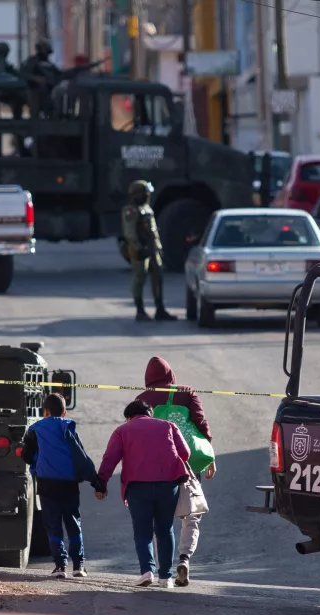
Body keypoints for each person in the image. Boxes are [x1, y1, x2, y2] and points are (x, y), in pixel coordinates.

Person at [133, 356, 214, 587]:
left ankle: (163, 570)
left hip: (157, 467)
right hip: (186, 462)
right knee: (192, 514)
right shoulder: (187, 393)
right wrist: (210, 456)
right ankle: (184, 559)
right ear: (171, 374)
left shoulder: (143, 398)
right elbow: (201, 423)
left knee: (162, 520)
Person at [97, 400, 191, 588]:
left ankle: (147, 571)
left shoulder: (123, 431)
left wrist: (101, 484)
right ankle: (166, 577)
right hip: (167, 485)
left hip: (137, 487)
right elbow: (185, 453)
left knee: (142, 531)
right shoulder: (168, 426)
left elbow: (110, 459)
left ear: (129, 416)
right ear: (149, 413)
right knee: (165, 530)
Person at [21, 393, 106, 579]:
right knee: (73, 523)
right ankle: (79, 565)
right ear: (65, 412)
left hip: (47, 485)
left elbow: (27, 456)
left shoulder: (35, 429)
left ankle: (60, 566)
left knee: (53, 526)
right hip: (69, 485)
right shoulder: (69, 427)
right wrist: (97, 482)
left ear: (45, 411)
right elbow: (80, 456)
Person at [122, 180, 178, 322]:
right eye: (144, 193)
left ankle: (160, 309)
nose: (147, 195)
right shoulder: (131, 211)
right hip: (140, 249)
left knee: (158, 278)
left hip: (153, 249)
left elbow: (153, 232)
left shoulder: (147, 209)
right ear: (136, 194)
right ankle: (140, 311)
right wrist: (138, 249)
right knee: (139, 278)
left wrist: (158, 248)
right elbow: (130, 232)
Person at [21, 39, 61, 118]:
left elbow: (58, 75)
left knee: (53, 111)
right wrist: (36, 79)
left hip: (49, 93)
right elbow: (24, 74)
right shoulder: (32, 61)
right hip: (34, 91)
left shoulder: (49, 65)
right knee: (35, 112)